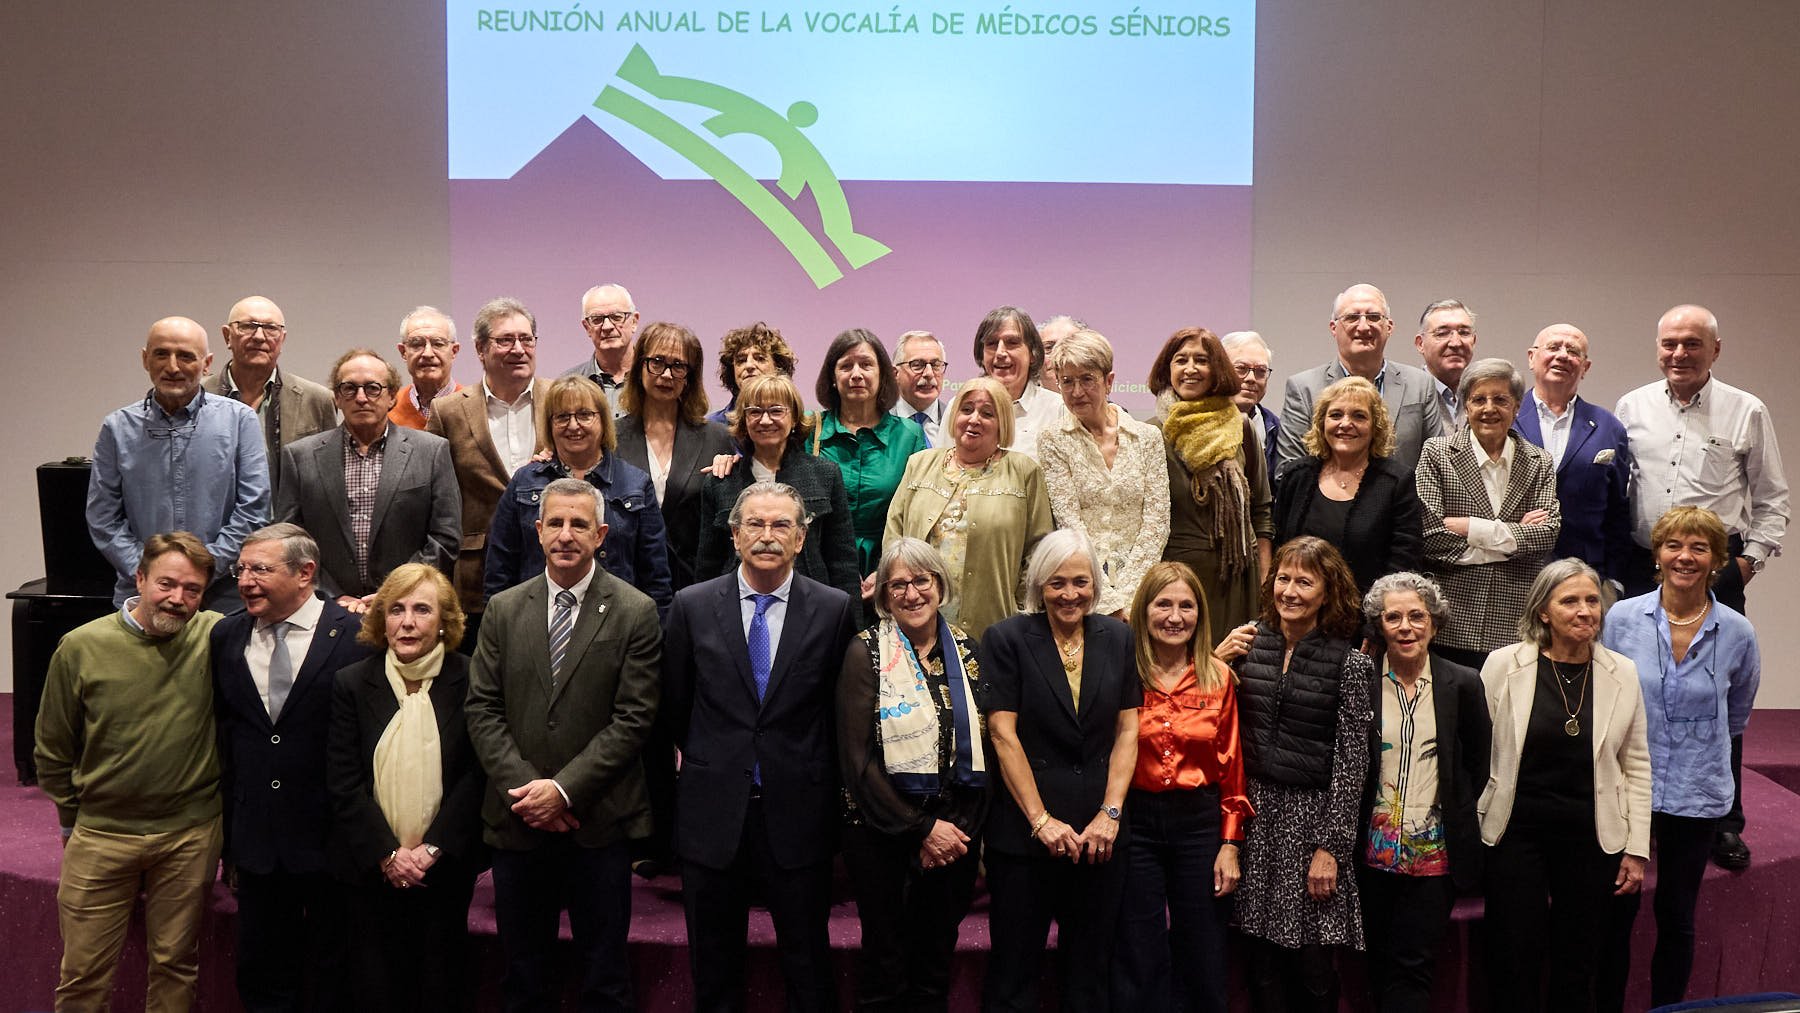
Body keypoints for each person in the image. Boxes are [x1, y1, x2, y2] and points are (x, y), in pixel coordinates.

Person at [465, 478, 662, 1011]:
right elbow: (482, 709)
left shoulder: (635, 610)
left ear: (601, 535)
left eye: (579, 525)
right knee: (522, 979)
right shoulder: (503, 609)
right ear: (537, 531)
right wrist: (531, 793)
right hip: (518, 820)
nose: (566, 535)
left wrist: (565, 792)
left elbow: (633, 718)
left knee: (605, 980)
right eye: (556, 523)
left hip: (598, 823)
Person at [663, 482, 861, 1012]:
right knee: (715, 971)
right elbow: (675, 709)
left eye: (781, 526)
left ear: (801, 539)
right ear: (734, 535)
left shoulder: (835, 609)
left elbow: (840, 717)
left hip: (799, 814)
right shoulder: (692, 606)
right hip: (712, 814)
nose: (767, 536)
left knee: (807, 966)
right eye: (755, 524)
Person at [1615, 303, 1788, 869]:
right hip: (1649, 563)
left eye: (1692, 343)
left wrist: (1749, 563)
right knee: (1642, 695)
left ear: (1716, 349)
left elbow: (1772, 497)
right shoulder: (1632, 407)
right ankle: (1647, 814)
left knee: (1714, 701)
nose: (1679, 354)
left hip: (1719, 565)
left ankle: (1722, 822)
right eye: (1669, 343)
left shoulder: (1746, 410)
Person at [34, 532, 225, 1012]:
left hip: (189, 835)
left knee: (176, 966)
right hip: (102, 834)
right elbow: (53, 747)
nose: (178, 599)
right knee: (82, 978)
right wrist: (71, 819)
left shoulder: (214, 635)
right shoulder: (81, 647)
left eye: (193, 590)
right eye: (167, 584)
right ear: (138, 578)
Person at [1597, 507, 1759, 1010]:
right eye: (1673, 545)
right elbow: (1602, 694)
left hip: (1697, 789)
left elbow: (1736, 716)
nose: (1684, 557)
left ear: (1716, 559)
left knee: (1677, 915)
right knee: (1615, 916)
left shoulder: (1737, 632)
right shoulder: (1622, 619)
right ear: (1658, 553)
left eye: (1699, 547)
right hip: (1628, 790)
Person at [211, 523, 374, 1011]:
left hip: (332, 842)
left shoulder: (355, 637)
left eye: (260, 569)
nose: (244, 581)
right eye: (241, 569)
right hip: (257, 842)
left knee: (333, 972)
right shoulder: (226, 635)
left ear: (306, 573)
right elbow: (225, 735)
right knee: (261, 971)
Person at [1477, 558, 1650, 1013]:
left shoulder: (1623, 672)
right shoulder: (1502, 666)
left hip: (1592, 836)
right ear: (1543, 612)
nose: (1584, 611)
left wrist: (1636, 847)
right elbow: (1481, 751)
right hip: (1517, 833)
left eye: (1592, 600)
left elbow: (1636, 763)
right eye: (1569, 601)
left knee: (1578, 965)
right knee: (1514, 960)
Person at [980, 531, 1140, 1012]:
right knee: (1014, 974)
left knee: (1089, 974)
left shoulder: (1119, 637)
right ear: (1038, 586)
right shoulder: (1005, 638)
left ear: (1095, 585)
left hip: (1101, 837)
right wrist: (1040, 821)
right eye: (1057, 584)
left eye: (1080, 582)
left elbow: (1128, 731)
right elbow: (1003, 735)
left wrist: (1110, 813)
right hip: (1025, 838)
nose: (1070, 594)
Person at [1214, 536, 1374, 1012]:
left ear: (1329, 592)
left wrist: (1332, 848)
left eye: (1305, 581)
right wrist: (1215, 666)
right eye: (1283, 578)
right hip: (1255, 819)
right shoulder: (1245, 645)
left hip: (1312, 825)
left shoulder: (1351, 664)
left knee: (1313, 968)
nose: (1290, 590)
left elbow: (1352, 765)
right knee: (1261, 966)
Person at [837, 537, 990, 1012]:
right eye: (896, 585)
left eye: (921, 580)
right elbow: (856, 762)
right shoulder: (865, 654)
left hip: (954, 841)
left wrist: (955, 834)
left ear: (939, 586)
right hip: (881, 836)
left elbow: (989, 753)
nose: (911, 593)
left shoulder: (969, 652)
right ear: (882, 596)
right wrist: (921, 830)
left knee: (933, 969)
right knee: (885, 967)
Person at [326, 563, 487, 1012]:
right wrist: (388, 854)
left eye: (422, 610)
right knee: (375, 988)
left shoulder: (472, 678)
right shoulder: (352, 683)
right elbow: (342, 780)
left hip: (445, 869)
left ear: (445, 623)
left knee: (440, 985)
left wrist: (430, 851)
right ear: (381, 620)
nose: (408, 622)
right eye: (396, 610)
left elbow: (477, 774)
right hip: (369, 869)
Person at [1111, 561, 1249, 1013]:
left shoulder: (1218, 677)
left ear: (1200, 614)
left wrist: (1229, 844)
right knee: (1139, 949)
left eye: (1186, 606)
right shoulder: (1122, 673)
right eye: (1163, 604)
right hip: (1138, 824)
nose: (1175, 616)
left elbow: (1232, 768)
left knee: (1203, 948)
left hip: (1199, 824)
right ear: (1143, 610)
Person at [1356, 572, 1490, 1013]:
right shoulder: (1361, 682)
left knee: (1413, 964)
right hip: (1370, 851)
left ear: (1434, 622)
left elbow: (1477, 763)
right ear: (1379, 625)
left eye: (1417, 616)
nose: (1406, 627)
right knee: (1375, 961)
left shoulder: (1464, 683)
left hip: (1434, 852)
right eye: (1393, 617)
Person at [88, 315, 270, 605]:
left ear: (207, 363)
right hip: (141, 595)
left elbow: (254, 509)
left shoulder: (239, 421)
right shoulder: (117, 427)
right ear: (145, 359)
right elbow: (103, 517)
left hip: (221, 597)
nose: (172, 367)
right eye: (162, 354)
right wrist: (152, 573)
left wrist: (205, 568)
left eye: (185, 356)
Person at [275, 349, 460, 610]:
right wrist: (331, 595)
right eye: (349, 388)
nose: (361, 398)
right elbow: (290, 540)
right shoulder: (299, 456)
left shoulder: (431, 451)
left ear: (392, 397)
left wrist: (397, 591)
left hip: (408, 605)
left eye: (373, 388)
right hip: (326, 609)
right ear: (337, 398)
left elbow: (445, 536)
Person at [483, 374, 672, 615]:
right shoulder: (525, 482)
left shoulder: (635, 484)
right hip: (536, 623)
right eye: (562, 416)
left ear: (603, 420)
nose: (573, 426)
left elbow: (656, 577)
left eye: (584, 415)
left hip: (616, 624)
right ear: (549, 425)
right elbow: (499, 570)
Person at [1415, 357, 1560, 671]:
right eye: (1479, 399)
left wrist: (1471, 527)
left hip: (1514, 621)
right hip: (1450, 619)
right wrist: (1513, 536)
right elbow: (1429, 537)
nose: (1489, 408)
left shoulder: (1540, 462)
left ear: (1517, 407)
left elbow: (1546, 536)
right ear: (1466, 406)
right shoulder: (1436, 453)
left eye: (1500, 399)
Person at [884, 376, 1055, 640]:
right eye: (966, 410)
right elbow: (894, 536)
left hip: (994, 623)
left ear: (1004, 424)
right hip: (916, 617)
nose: (974, 419)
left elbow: (1038, 549)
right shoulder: (920, 463)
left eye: (987, 413)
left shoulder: (1024, 472)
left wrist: (1021, 609)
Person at [426, 296, 552, 648]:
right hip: (475, 578)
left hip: (551, 565)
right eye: (505, 340)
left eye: (526, 339)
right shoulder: (448, 410)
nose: (518, 349)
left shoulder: (559, 398)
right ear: (480, 349)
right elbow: (434, 500)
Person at [1037, 328, 1170, 618]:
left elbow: (1157, 524)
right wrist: (1109, 603)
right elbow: (1070, 523)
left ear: (1109, 381)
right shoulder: (1053, 439)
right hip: (1084, 592)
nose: (1076, 392)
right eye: (1067, 382)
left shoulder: (1147, 437)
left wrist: (1131, 598)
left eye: (1087, 379)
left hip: (1144, 591)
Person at [1148, 326, 1272, 636]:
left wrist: (1264, 583)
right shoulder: (1150, 434)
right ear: (1167, 369)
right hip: (1175, 584)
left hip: (1236, 578)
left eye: (1201, 360)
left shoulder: (1241, 428)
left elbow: (1262, 511)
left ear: (1216, 368)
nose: (1191, 369)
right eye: (1181, 360)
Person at [695, 372, 861, 600]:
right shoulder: (720, 481)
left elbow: (842, 562)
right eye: (755, 412)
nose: (765, 420)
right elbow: (708, 565)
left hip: (811, 608)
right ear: (743, 420)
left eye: (776, 411)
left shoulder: (825, 475)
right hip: (736, 607)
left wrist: (851, 629)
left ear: (793, 418)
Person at [614, 322, 737, 590]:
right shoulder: (610, 437)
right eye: (657, 362)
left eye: (678, 366)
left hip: (695, 587)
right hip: (626, 587)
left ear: (690, 377)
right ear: (639, 367)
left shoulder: (718, 438)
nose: (667, 375)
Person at [1275, 283, 1444, 479]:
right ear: (1333, 328)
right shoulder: (1304, 387)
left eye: (1373, 317)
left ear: (1389, 327)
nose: (1363, 326)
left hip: (1405, 508)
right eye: (1352, 318)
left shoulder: (1420, 385)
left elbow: (1437, 465)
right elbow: (1287, 472)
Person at [1273, 375, 1423, 593]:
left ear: (1375, 427)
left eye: (1359, 416)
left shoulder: (1397, 482)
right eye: (1335, 415)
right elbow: (1280, 548)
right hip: (1299, 614)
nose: (1345, 424)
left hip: (1366, 617)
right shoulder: (1297, 475)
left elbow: (1405, 563)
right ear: (1322, 422)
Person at [1516, 323, 1632, 588]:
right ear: (1531, 357)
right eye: (1553, 347)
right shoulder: (1504, 419)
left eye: (1573, 351)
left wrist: (1613, 580)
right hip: (1516, 572)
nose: (1563, 355)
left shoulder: (1608, 426)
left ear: (1585, 367)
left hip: (1586, 576)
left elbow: (1619, 511)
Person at [812, 327, 929, 579]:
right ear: (832, 377)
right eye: (846, 366)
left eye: (866, 365)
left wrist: (886, 572)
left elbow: (918, 514)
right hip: (818, 569)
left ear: (883, 374)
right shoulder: (809, 430)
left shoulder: (910, 435)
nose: (856, 374)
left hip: (888, 572)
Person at [202, 295, 337, 494]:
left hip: (289, 524)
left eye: (270, 328)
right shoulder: (198, 396)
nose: (259, 336)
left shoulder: (317, 400)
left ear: (282, 338)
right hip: (216, 524)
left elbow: (328, 479)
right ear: (226, 336)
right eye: (247, 326)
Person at [972, 305, 1061, 457]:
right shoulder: (960, 407)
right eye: (992, 344)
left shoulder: (1057, 410)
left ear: (1033, 353)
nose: (1000, 353)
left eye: (1012, 342)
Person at [707, 320, 798, 425]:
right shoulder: (713, 426)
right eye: (741, 360)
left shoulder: (798, 424)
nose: (749, 365)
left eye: (759, 358)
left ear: (778, 366)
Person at [564, 283, 639, 410]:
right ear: (587, 327)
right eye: (597, 319)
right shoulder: (567, 385)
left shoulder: (657, 378)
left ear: (634, 322)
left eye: (616, 317)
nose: (607, 326)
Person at [1222, 330, 1280, 487]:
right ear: (1220, 370)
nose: (1251, 378)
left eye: (1261, 371)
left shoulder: (1277, 429)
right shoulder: (1196, 422)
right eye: (1241, 368)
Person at [389, 306, 462, 429]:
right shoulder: (388, 408)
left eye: (438, 344)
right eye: (417, 344)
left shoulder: (475, 408)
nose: (428, 354)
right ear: (403, 352)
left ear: (454, 351)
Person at [1414, 299, 1479, 430]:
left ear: (1474, 341)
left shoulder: (1483, 398)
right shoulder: (1409, 395)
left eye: (1464, 333)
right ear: (1420, 344)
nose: (1456, 343)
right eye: (1442, 334)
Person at [891, 328, 950, 445]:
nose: (929, 373)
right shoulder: (877, 423)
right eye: (917, 365)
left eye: (936, 365)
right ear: (895, 374)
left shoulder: (957, 423)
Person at [1036, 313, 1085, 394]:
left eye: (1070, 347)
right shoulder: (1015, 406)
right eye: (1049, 348)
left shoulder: (1106, 406)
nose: (1058, 356)